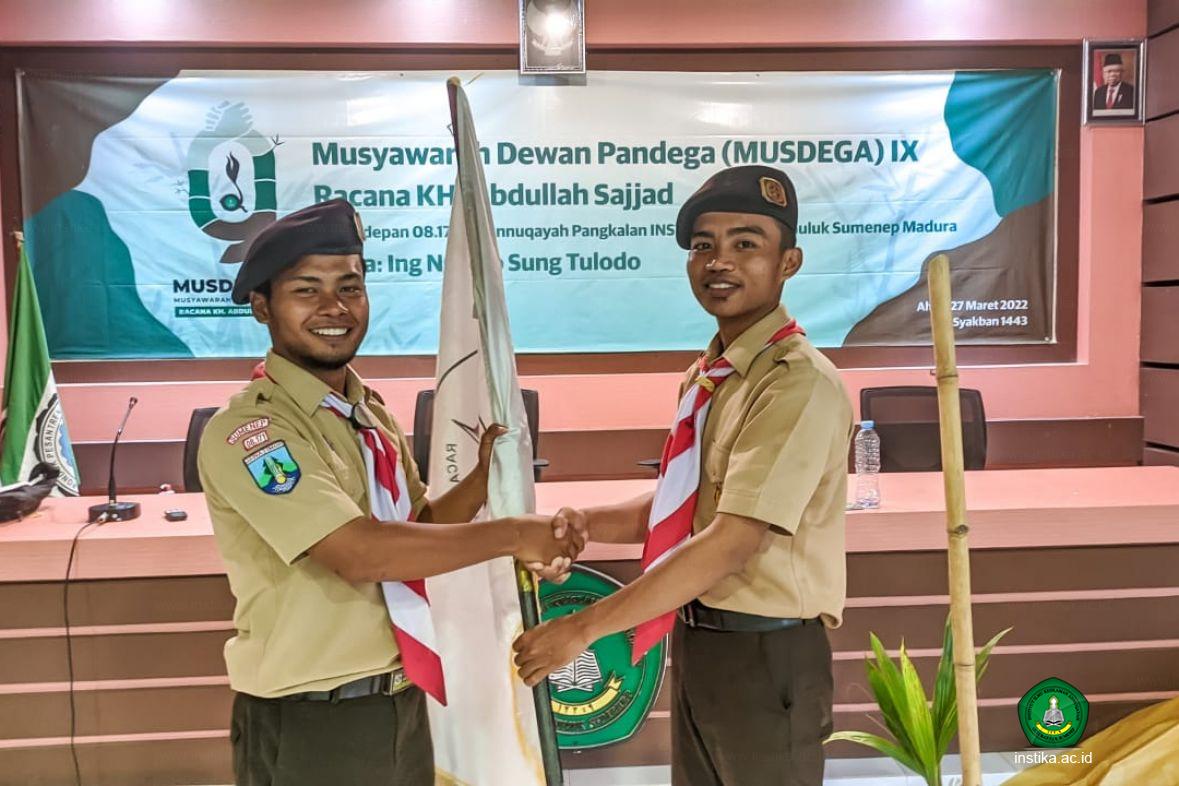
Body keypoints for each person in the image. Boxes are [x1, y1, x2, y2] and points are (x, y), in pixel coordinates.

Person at [198, 198, 582, 786]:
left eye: (350, 288)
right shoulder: (255, 430)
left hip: (399, 701)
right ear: (261, 306)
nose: (334, 308)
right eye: (306, 291)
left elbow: (415, 526)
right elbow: (359, 552)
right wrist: (511, 535)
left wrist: (482, 482)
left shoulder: (365, 412)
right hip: (314, 720)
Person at [513, 165, 854, 786]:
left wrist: (583, 629)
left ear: (789, 262)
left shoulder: (795, 383)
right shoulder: (713, 375)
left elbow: (732, 539)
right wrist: (583, 523)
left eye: (745, 243)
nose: (719, 262)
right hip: (702, 642)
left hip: (767, 654)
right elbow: (683, 509)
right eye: (704, 245)